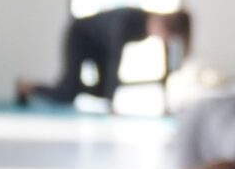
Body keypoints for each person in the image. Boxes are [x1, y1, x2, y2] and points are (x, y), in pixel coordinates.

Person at [18, 6, 192, 110]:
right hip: (80, 36)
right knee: (67, 94)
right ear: (161, 24)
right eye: (164, 35)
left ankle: (74, 86)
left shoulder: (155, 26)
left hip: (100, 46)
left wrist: (167, 93)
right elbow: (114, 60)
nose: (162, 39)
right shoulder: (129, 20)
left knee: (102, 90)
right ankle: (27, 87)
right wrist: (112, 103)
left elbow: (168, 64)